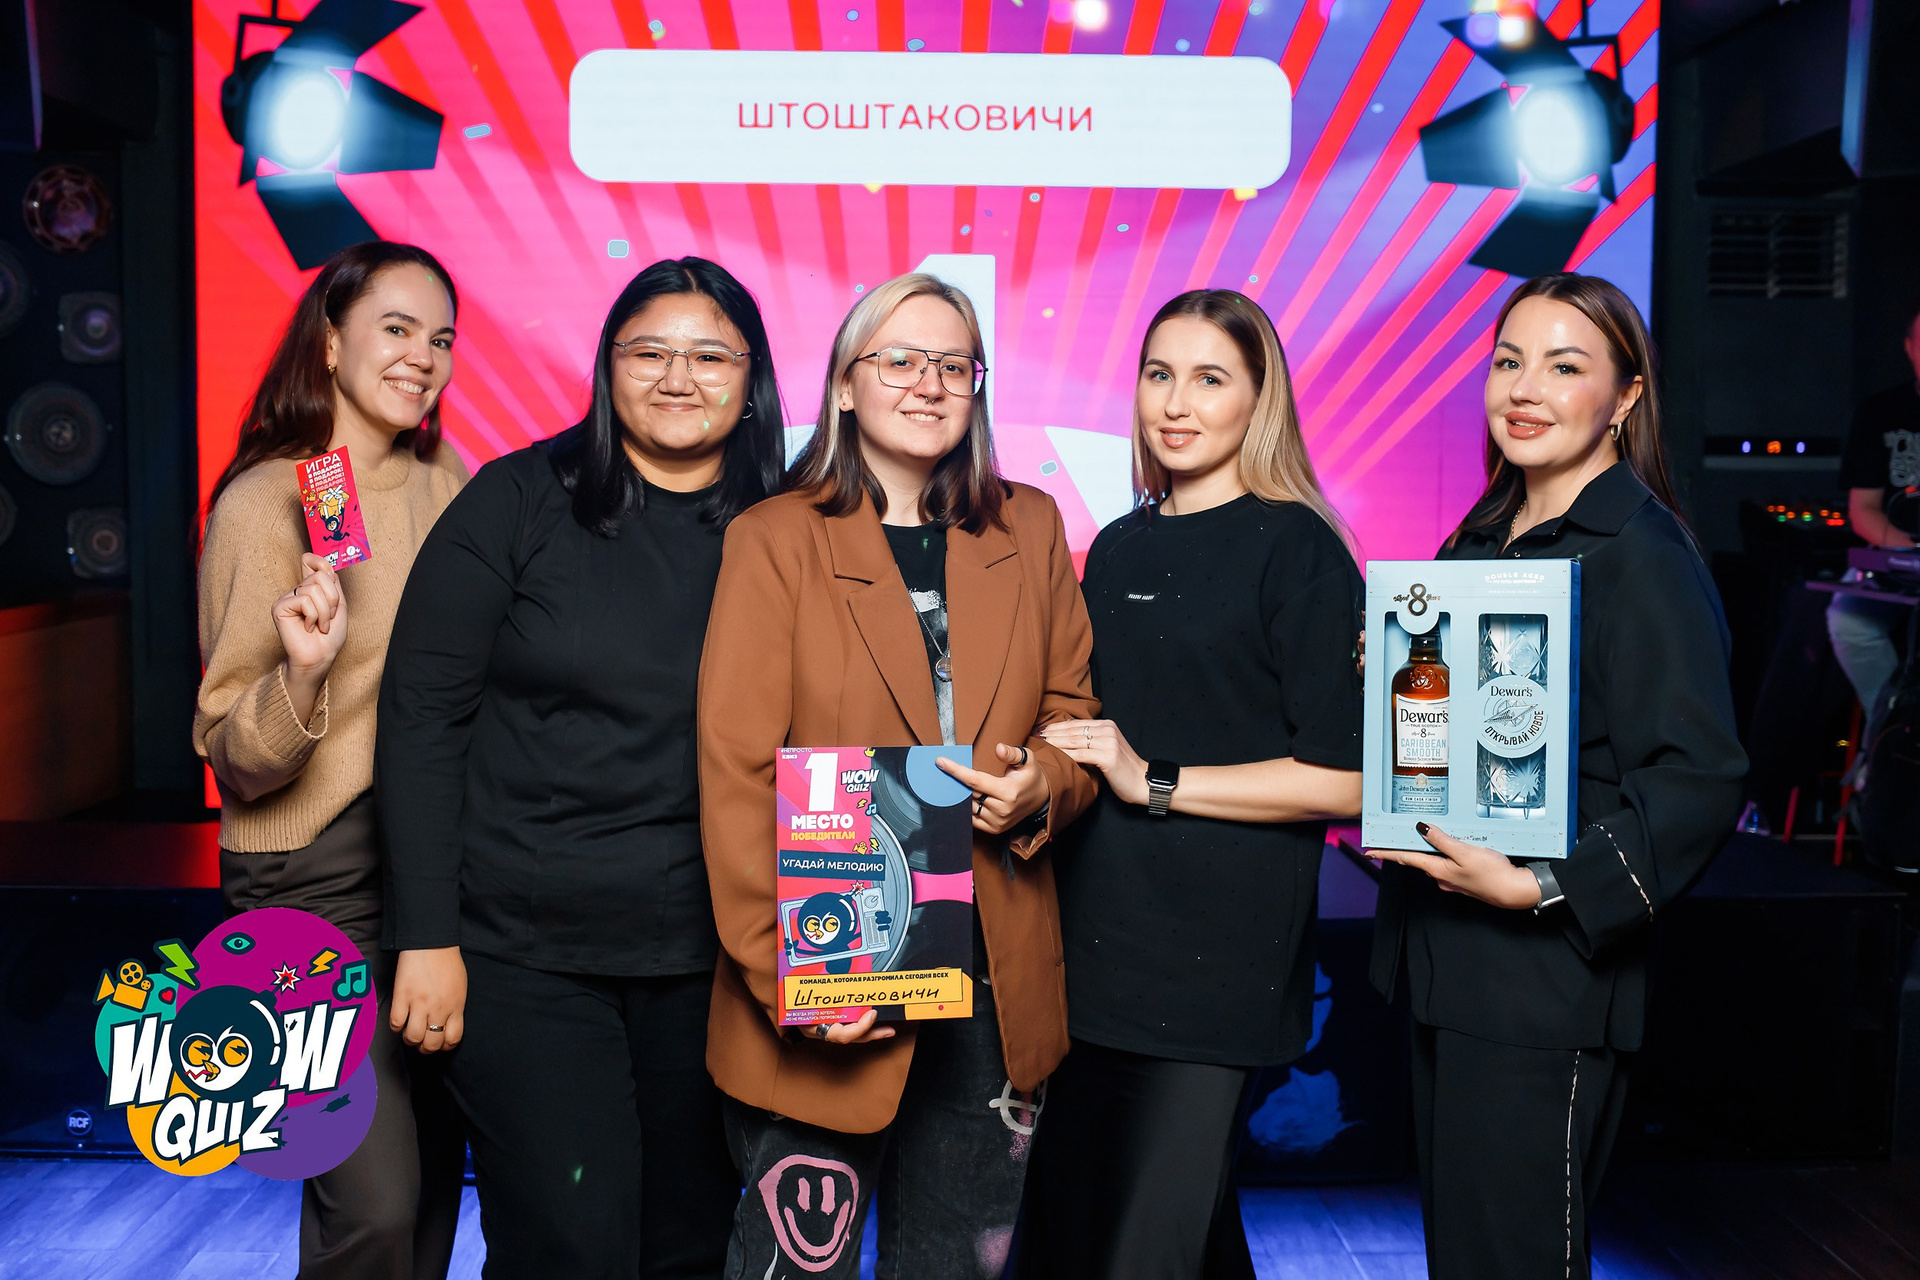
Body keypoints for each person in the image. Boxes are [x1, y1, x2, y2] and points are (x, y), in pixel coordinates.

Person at [376, 257, 787, 1279]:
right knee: (570, 1244)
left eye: (710, 356)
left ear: (752, 378)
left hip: (714, 958)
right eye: (649, 352)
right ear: (607, 366)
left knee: (689, 1242)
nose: (678, 377)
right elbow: (422, 718)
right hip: (524, 952)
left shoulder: (790, 528)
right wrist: (426, 937)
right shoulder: (516, 499)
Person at [697, 272, 1099, 1280]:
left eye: (954, 365)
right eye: (901, 359)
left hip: (993, 980)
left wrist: (1045, 781)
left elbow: (1072, 713)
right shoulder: (773, 539)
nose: (929, 383)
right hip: (832, 967)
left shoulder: (1031, 526)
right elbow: (737, 775)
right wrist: (786, 977)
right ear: (844, 384)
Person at [1368, 273, 1747, 1280]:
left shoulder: (1643, 553)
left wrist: (1539, 884)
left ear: (1625, 396)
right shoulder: (1478, 539)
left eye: (1564, 365)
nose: (1526, 388)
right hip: (1450, 966)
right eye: (1509, 361)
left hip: (1545, 984)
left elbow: (1701, 776)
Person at [1014, 289, 1364, 1280]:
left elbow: (1347, 780)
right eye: (1158, 374)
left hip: (1220, 961)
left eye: (1210, 378)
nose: (1176, 403)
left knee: (1148, 1249)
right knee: (1086, 1241)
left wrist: (1154, 780)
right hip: (1094, 948)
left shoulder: (1299, 548)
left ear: (1259, 397)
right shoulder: (1119, 544)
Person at [193, 240, 469, 1280]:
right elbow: (234, 753)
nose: (422, 356)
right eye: (396, 328)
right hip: (307, 874)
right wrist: (302, 674)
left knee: (431, 1184)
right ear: (329, 340)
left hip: (431, 864)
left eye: (441, 337)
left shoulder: (446, 479)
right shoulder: (269, 498)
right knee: (375, 1202)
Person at [1828, 304, 1920, 752]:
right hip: (1900, 555)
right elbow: (1863, 510)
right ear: (1910, 349)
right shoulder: (1882, 412)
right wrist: (1907, 552)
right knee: (1848, 619)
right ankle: (1892, 739)